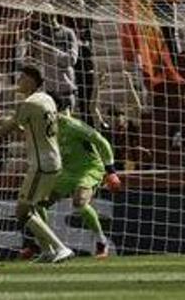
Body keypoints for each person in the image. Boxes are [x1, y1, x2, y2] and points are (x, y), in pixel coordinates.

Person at [0, 64, 73, 263]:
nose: (18, 80)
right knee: (31, 208)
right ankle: (48, 250)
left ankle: (60, 247)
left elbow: (5, 130)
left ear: (32, 80)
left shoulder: (29, 104)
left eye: (22, 77)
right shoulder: (47, 99)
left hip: (42, 163)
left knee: (22, 211)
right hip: (51, 159)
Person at [46, 109, 123, 259]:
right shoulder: (45, 127)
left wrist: (111, 171)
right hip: (66, 171)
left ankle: (101, 242)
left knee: (79, 202)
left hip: (89, 168)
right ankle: (41, 245)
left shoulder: (74, 126)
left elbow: (102, 142)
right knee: (40, 202)